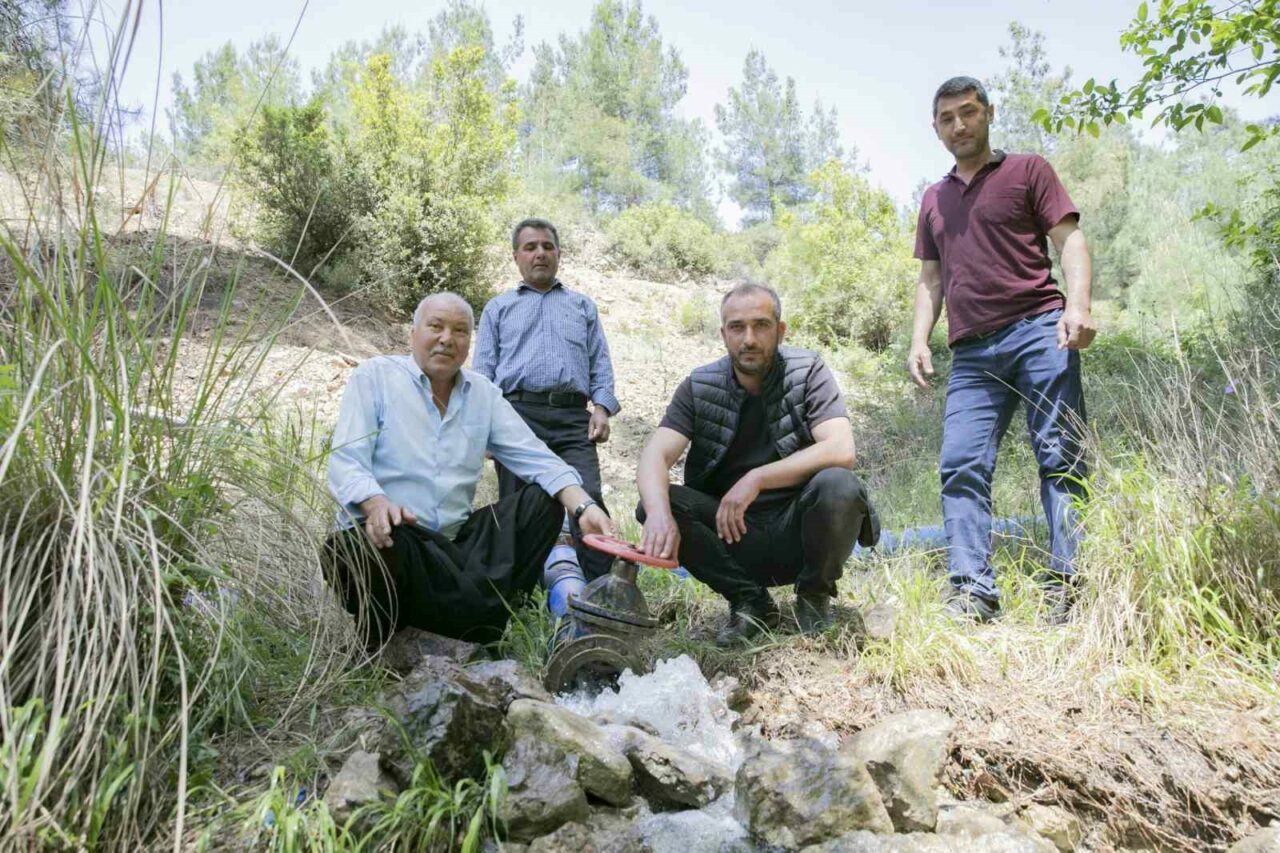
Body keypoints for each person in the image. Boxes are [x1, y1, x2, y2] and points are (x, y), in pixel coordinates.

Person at [324, 292, 615, 647]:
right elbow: (345, 460)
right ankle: (387, 637)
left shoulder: (484, 394)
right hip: (397, 541)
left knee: (544, 502)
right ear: (413, 333)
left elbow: (537, 457)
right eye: (436, 327)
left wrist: (584, 507)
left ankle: (485, 620)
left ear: (468, 344)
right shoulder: (375, 377)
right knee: (356, 547)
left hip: (455, 548)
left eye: (460, 331)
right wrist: (376, 503)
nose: (447, 338)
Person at [909, 76, 1096, 624]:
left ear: (989, 113)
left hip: (1040, 330)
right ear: (935, 128)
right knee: (960, 464)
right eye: (947, 118)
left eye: (968, 113)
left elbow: (1071, 242)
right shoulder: (934, 198)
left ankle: (1071, 581)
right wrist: (919, 338)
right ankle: (972, 590)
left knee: (1061, 455)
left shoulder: (1028, 170)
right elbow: (930, 278)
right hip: (971, 354)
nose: (959, 125)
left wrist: (1077, 307)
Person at [635, 283, 879, 646]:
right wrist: (657, 514)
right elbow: (655, 454)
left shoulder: (808, 371)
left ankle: (814, 597)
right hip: (732, 536)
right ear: (723, 334)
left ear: (780, 331)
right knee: (656, 502)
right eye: (736, 327)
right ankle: (750, 601)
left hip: (801, 531)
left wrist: (758, 477)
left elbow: (841, 448)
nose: (748, 338)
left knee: (838, 484)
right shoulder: (699, 386)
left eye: (761, 325)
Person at [474, 219, 619, 580]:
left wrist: (601, 407)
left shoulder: (582, 306)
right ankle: (520, 590)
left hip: (573, 419)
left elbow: (599, 361)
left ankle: (603, 588)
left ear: (558, 254)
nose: (540, 253)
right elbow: (482, 374)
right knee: (518, 506)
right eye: (530, 247)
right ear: (516, 257)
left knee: (588, 495)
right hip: (515, 417)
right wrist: (484, 429)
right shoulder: (498, 308)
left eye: (547, 246)